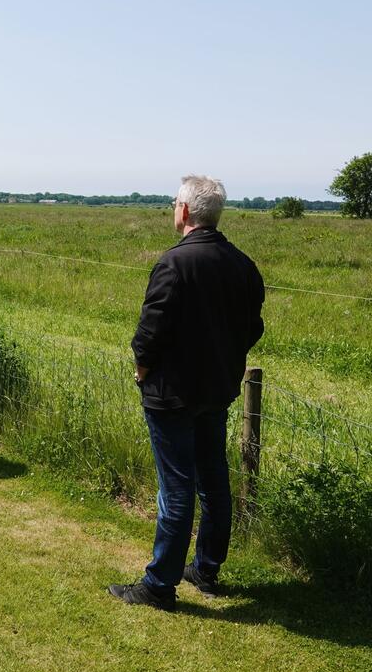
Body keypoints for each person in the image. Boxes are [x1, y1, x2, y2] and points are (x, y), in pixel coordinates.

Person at [109, 176, 265, 610]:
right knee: (213, 481)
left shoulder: (174, 263)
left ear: (184, 212)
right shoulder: (242, 263)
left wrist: (142, 370)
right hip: (217, 390)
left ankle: (159, 585)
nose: (172, 209)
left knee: (175, 488)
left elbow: (149, 333)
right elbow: (253, 327)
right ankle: (206, 569)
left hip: (173, 393)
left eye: (174, 202)